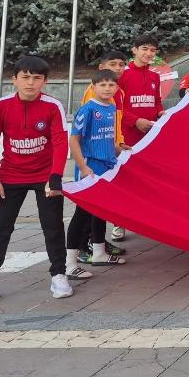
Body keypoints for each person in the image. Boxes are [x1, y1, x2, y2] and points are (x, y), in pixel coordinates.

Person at [0, 56, 72, 308]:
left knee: (53, 227)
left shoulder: (52, 106)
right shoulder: (2, 106)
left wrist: (55, 177)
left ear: (45, 81)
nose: (30, 83)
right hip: (10, 176)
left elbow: (60, 142)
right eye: (25, 77)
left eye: (37, 78)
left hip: (44, 177)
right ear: (14, 79)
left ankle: (59, 275)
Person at [67, 70, 126, 275]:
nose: (107, 88)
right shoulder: (88, 109)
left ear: (117, 88)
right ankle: (69, 263)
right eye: (102, 85)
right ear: (93, 87)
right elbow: (74, 140)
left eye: (111, 85)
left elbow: (106, 138)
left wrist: (119, 149)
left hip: (106, 166)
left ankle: (99, 252)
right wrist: (83, 167)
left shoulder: (112, 107)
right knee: (82, 214)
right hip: (90, 166)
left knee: (101, 210)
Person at [85, 49, 129, 246]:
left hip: (111, 152)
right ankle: (87, 243)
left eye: (121, 64)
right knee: (91, 202)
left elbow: (116, 123)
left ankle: (98, 242)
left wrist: (119, 143)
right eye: (113, 64)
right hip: (95, 156)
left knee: (104, 199)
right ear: (101, 67)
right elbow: (88, 129)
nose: (118, 68)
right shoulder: (93, 92)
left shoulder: (119, 92)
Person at [119, 34, 163, 151]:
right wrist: (135, 121)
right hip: (127, 134)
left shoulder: (155, 76)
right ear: (134, 50)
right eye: (145, 49)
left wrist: (161, 112)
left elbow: (157, 101)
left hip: (150, 133)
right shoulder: (122, 74)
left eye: (152, 50)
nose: (149, 53)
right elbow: (116, 106)